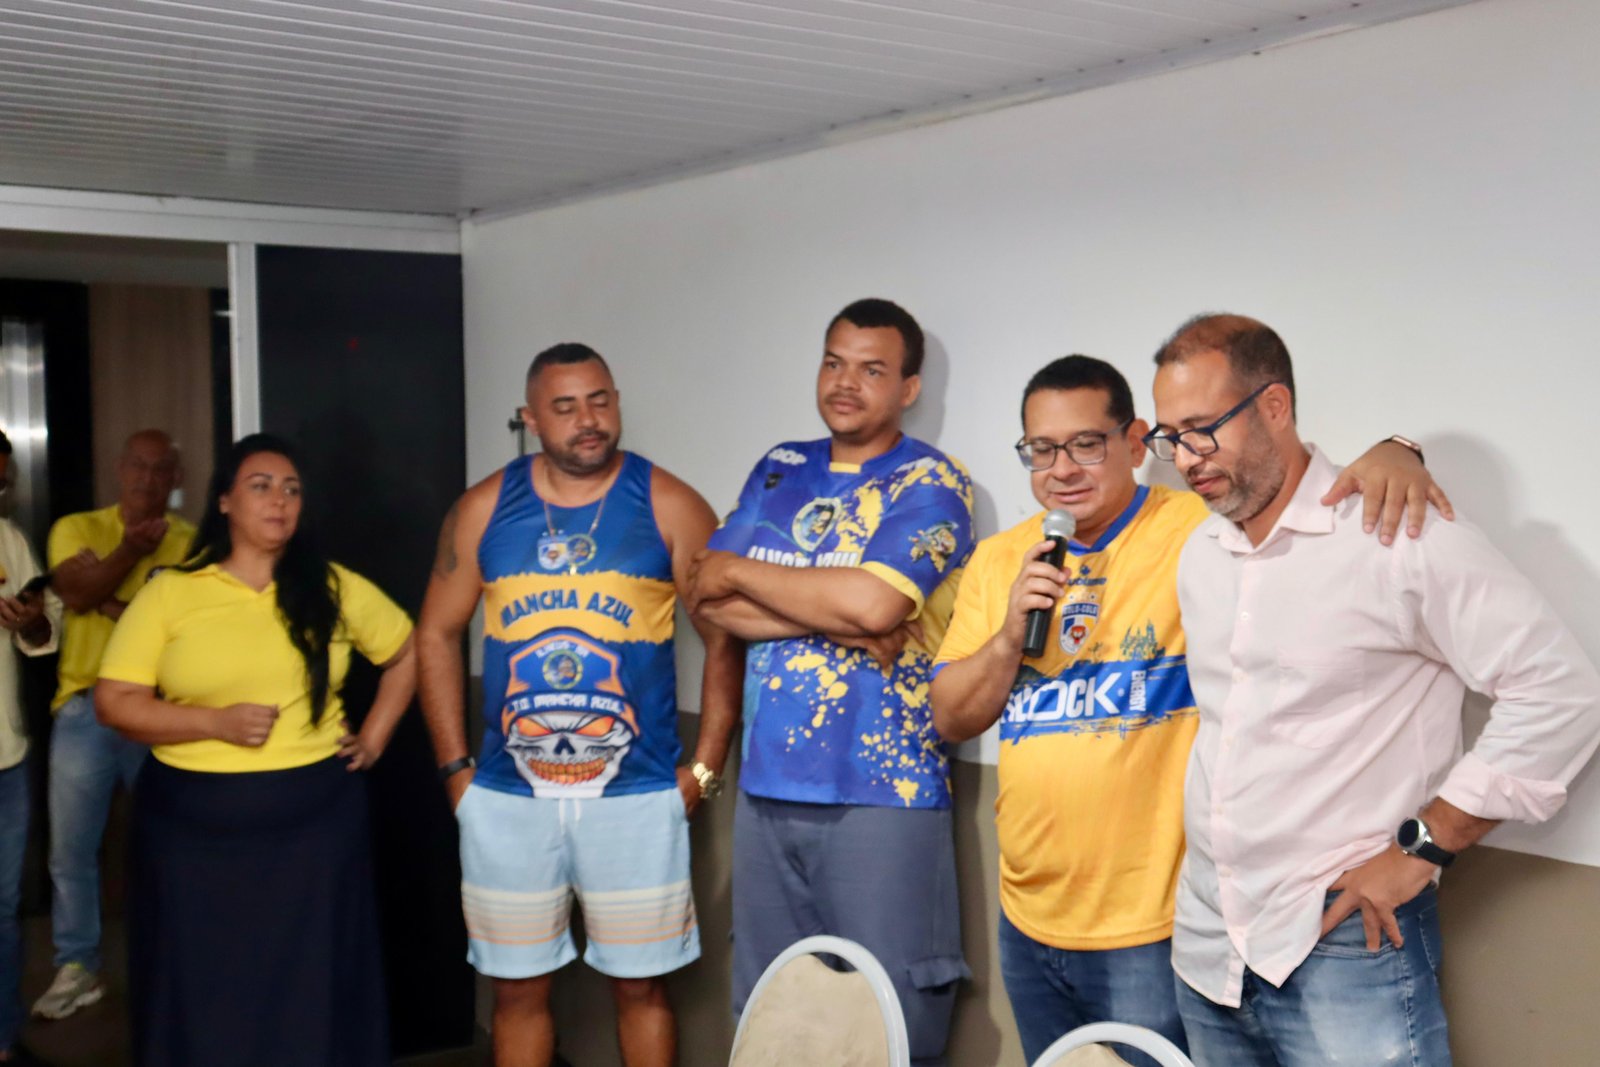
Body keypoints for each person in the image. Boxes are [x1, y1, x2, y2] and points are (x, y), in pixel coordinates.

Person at [929, 355, 1448, 1064]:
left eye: (1087, 443)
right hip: (1027, 917)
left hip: (1154, 922)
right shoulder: (1001, 560)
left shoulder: (1196, 532)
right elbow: (950, 717)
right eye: (1041, 450)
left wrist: (1398, 449)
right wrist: (1009, 634)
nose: (1063, 468)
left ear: (1138, 442)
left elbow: (1288, 482)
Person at [1147, 313, 1600, 1066]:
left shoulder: (1395, 533)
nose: (1185, 458)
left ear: (1274, 407)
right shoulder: (1200, 554)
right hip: (1207, 946)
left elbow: (1562, 692)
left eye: (1202, 429)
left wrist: (1424, 846)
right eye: (1169, 436)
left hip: (1345, 941)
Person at [417, 343, 742, 1067]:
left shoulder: (670, 503)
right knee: (517, 994)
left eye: (599, 400)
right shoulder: (482, 508)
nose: (587, 420)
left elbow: (724, 640)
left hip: (635, 795)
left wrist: (706, 768)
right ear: (532, 418)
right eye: (564, 407)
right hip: (506, 798)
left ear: (617, 401)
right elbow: (435, 632)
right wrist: (455, 772)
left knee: (642, 991)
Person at [687, 298, 975, 1067]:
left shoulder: (932, 481)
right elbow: (705, 600)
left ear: (909, 387)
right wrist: (846, 618)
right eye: (834, 361)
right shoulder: (779, 467)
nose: (846, 383)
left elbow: (877, 600)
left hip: (884, 791)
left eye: (872, 369)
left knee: (886, 1016)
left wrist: (749, 573)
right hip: (767, 786)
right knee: (775, 1008)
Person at [95, 433, 417, 1067]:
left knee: (312, 981)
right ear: (224, 502)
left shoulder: (332, 586)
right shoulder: (172, 592)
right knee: (203, 982)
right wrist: (213, 722)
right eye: (261, 486)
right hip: (190, 830)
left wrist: (374, 738)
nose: (279, 500)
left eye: (292, 489)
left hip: (314, 826)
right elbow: (114, 702)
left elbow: (407, 653)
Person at [33, 429, 192, 1021]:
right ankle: (78, 966)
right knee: (71, 847)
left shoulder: (193, 544)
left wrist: (111, 599)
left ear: (176, 478)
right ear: (119, 468)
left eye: (160, 470)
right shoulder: (76, 529)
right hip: (84, 704)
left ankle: (173, 961)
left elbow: (181, 633)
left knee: (170, 843)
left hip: (158, 708)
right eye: (138, 467)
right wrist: (127, 558)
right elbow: (74, 594)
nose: (146, 479)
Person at [0, 431, 63, 1063]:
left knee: (4, 906)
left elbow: (43, 633)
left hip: (5, 754)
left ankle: (1, 1039)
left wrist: (32, 621)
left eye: (2, 480)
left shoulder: (10, 541)